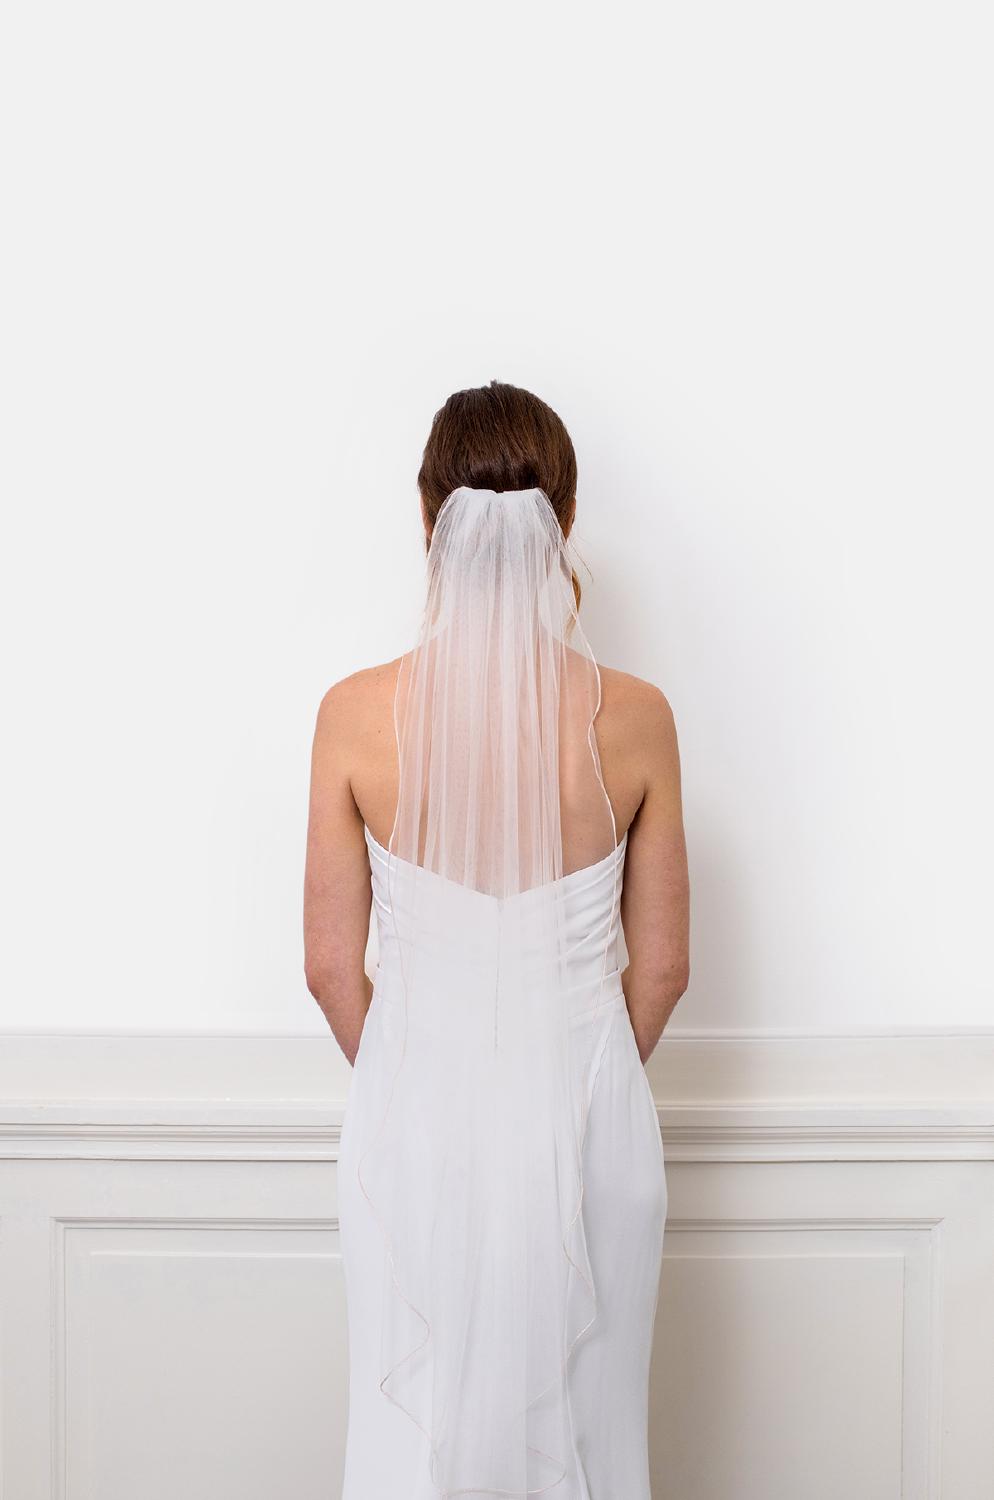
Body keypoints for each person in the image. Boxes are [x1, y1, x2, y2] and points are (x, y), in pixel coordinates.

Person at [304, 381, 690, 1499]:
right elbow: (664, 967)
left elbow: (329, 966)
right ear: (563, 522)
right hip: (591, 1124)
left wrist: (416, 1075)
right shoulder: (639, 717)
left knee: (408, 1436)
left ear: (429, 520)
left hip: (412, 1127)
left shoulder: (351, 714)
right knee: (590, 1431)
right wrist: (576, 1074)